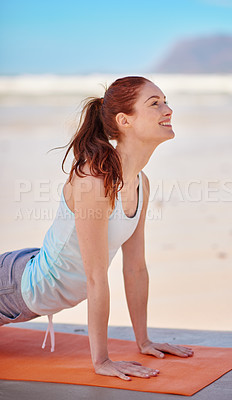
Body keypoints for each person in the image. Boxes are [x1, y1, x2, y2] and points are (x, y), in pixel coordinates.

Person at [0, 76, 193, 381]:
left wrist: (144, 342)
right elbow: (95, 276)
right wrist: (101, 361)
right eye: (155, 104)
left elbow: (135, 268)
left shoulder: (140, 183)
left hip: (30, 277)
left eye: (166, 101)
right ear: (124, 120)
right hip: (12, 286)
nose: (168, 110)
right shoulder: (94, 180)